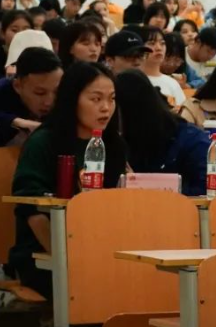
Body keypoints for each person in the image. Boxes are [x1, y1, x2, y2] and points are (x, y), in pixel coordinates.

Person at [10, 62, 128, 298]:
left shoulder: (113, 145)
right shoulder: (44, 142)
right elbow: (32, 210)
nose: (106, 108)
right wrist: (66, 259)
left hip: (100, 250)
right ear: (72, 99)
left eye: (112, 99)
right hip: (43, 255)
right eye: (96, 99)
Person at [115, 70, 210, 196]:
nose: (105, 109)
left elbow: (206, 190)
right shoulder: (112, 142)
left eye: (112, 101)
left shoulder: (191, 141)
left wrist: (141, 186)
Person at [0, 48, 62, 147]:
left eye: (56, 92)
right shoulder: (3, 90)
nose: (49, 102)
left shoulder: (66, 94)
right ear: (17, 86)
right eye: (40, 93)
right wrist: (15, 121)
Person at [130, 25, 186, 106]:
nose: (159, 48)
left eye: (162, 43)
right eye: (152, 43)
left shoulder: (172, 83)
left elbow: (182, 111)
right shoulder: (131, 81)